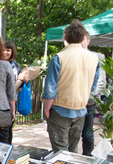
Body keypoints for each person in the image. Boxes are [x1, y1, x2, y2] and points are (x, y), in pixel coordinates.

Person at [42, 20, 100, 154]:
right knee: (73, 149)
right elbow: (93, 86)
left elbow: (50, 89)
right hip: (80, 110)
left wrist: (47, 109)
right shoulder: (94, 59)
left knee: (60, 150)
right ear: (82, 37)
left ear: (65, 37)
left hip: (59, 109)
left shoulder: (59, 57)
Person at [80, 33, 106, 156]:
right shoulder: (71, 57)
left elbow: (101, 82)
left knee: (87, 134)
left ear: (88, 41)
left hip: (88, 102)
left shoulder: (97, 57)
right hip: (72, 102)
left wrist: (88, 99)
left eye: (82, 39)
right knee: (71, 134)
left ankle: (87, 158)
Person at [4, 40, 29, 144]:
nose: (5, 52)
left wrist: (25, 80)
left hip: (12, 101)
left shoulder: (16, 66)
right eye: (3, 50)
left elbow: (20, 84)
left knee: (9, 130)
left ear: (12, 51)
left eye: (8, 50)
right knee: (3, 132)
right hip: (1, 102)